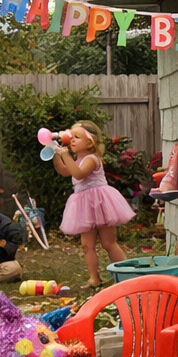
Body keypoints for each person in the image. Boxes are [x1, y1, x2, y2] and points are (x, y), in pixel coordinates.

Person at [53, 120, 134, 289]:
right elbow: (64, 171)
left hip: (100, 202)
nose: (72, 140)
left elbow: (79, 174)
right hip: (83, 204)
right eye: (71, 136)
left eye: (77, 137)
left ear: (90, 142)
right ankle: (94, 278)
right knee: (86, 245)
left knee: (108, 243)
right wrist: (55, 153)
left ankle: (127, 274)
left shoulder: (91, 159)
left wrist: (65, 154)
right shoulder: (78, 159)